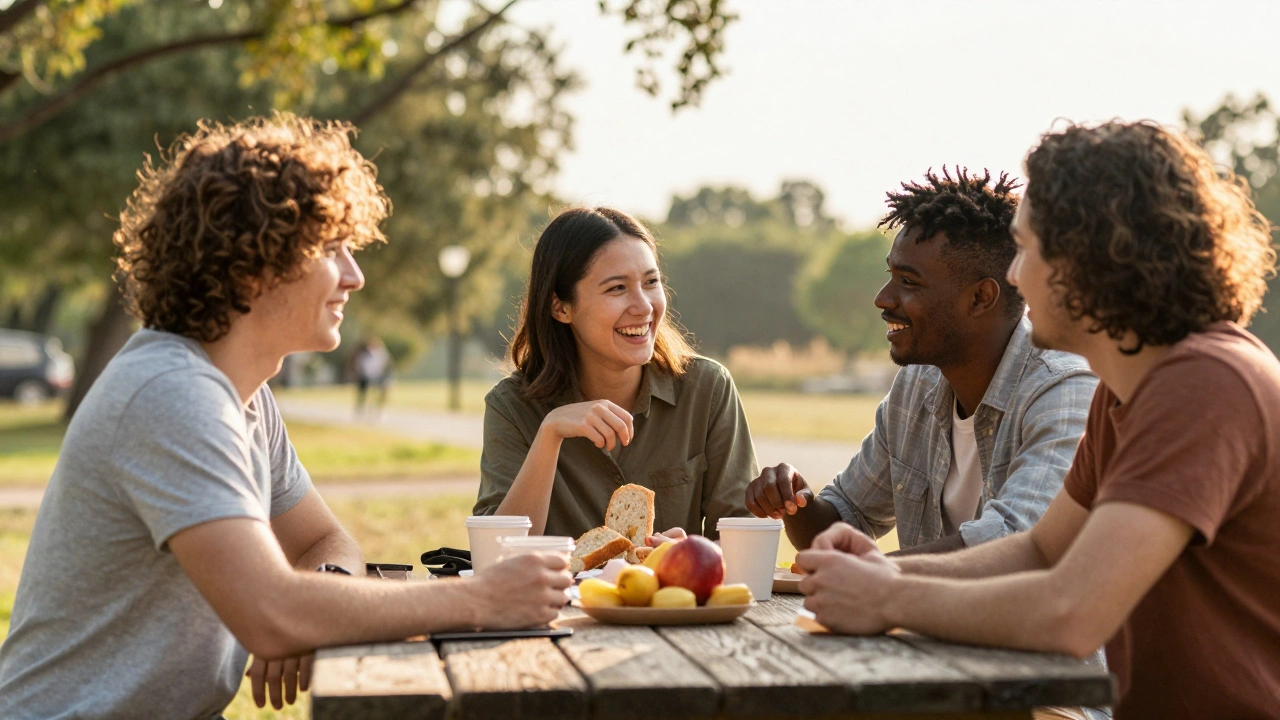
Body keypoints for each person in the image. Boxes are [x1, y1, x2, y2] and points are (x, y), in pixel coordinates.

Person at [0, 114, 572, 719]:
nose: (355, 275)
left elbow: (326, 543)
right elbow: (270, 615)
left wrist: (311, 596)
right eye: (331, 249)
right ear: (253, 266)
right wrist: (478, 599)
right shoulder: (170, 393)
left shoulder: (245, 394)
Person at [797, 121, 1280, 720]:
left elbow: (1074, 611)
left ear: (1094, 258)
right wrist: (882, 569)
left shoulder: (1203, 384)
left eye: (1027, 250)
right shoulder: (1130, 390)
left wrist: (891, 595)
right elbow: (1042, 550)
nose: (1015, 277)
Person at [746, 168, 1097, 555]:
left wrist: (874, 573)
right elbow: (844, 522)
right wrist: (796, 502)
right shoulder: (919, 385)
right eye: (890, 275)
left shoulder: (1063, 391)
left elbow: (1013, 546)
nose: (883, 298)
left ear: (980, 298)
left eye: (908, 282)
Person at [475, 207, 757, 541]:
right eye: (617, 288)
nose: (644, 306)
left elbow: (744, 541)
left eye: (651, 282)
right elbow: (497, 554)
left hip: (671, 593)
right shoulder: (511, 407)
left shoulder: (708, 390)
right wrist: (549, 435)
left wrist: (689, 556)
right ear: (561, 308)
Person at [352, 335, 392, 416]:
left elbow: (385, 365)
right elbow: (360, 365)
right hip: (365, 376)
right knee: (362, 393)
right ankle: (360, 410)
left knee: (380, 393)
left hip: (378, 376)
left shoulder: (381, 354)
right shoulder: (364, 355)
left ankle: (377, 410)